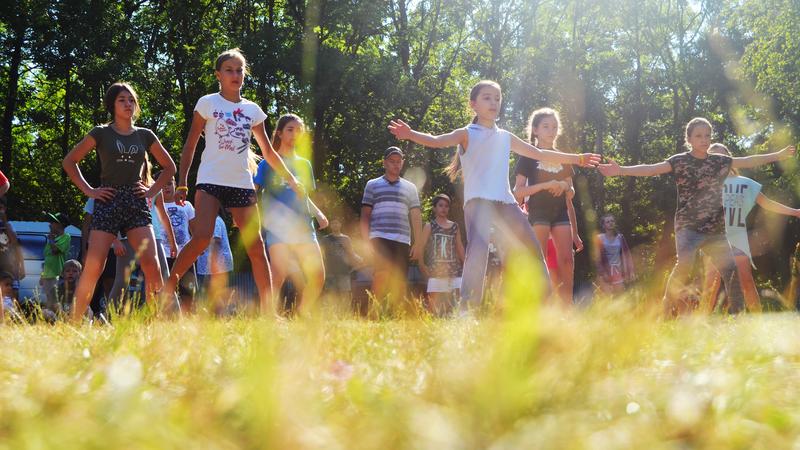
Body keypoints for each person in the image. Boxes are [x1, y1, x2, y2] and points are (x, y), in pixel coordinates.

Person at [388, 80, 600, 306]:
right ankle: (467, 309)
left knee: (532, 247)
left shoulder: (505, 137)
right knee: (478, 250)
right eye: (487, 98)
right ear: (473, 105)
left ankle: (547, 307)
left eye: (497, 98)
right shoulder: (466, 133)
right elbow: (436, 141)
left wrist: (577, 158)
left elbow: (540, 153)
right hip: (477, 201)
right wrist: (410, 134)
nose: (493, 102)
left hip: (505, 201)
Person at [598, 117, 795, 315]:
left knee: (731, 271)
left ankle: (738, 315)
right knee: (684, 266)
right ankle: (667, 308)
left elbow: (748, 161)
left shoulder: (719, 161)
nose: (704, 139)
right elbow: (651, 169)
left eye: (708, 135)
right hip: (688, 227)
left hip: (715, 230)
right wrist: (621, 170)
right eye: (699, 136)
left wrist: (777, 155)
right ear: (689, 139)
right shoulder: (679, 161)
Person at [165, 48, 303, 316]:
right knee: (203, 236)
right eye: (229, 70)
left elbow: (268, 151)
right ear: (218, 74)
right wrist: (183, 182)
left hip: (241, 184)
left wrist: (290, 178)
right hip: (210, 181)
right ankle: (168, 287)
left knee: (256, 246)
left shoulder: (252, 110)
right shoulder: (207, 104)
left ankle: (269, 312)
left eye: (239, 70)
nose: (235, 74)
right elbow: (190, 144)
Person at [63, 81, 176, 322]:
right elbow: (70, 161)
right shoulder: (101, 132)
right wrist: (90, 191)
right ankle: (73, 322)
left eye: (131, 100)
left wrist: (150, 190)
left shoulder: (145, 135)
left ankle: (152, 322)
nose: (128, 104)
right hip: (108, 198)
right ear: (112, 105)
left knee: (152, 264)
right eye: (122, 100)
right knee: (94, 266)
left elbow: (169, 167)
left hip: (135, 200)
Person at [702, 143, 800, 313]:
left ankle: (757, 324)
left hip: (737, 239)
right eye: (713, 158)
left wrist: (795, 212)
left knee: (746, 281)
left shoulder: (745, 183)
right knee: (711, 282)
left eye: (722, 157)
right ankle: (699, 324)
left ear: (731, 160)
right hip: (713, 239)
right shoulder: (704, 185)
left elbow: (767, 203)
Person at [253, 114, 328, 316]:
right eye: (290, 129)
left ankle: (303, 313)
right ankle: (268, 316)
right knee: (278, 274)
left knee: (318, 275)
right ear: (278, 133)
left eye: (299, 130)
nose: (295, 134)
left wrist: (318, 213)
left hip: (304, 227)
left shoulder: (305, 165)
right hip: (278, 228)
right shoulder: (266, 164)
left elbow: (304, 196)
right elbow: (252, 192)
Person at [513, 108, 584, 305]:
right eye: (546, 126)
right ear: (535, 130)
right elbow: (517, 192)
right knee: (539, 261)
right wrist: (545, 185)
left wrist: (564, 187)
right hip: (538, 212)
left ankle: (566, 308)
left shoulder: (564, 157)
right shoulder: (527, 156)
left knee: (567, 260)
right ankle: (539, 307)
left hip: (560, 212)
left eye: (554, 127)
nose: (551, 131)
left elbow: (571, 193)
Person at [360, 147, 423, 304]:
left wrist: (418, 243)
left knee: (400, 279)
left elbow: (416, 216)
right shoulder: (372, 185)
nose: (395, 164)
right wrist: (365, 242)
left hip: (402, 238)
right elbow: (365, 215)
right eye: (392, 161)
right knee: (381, 275)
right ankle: (374, 313)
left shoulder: (410, 187)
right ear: (385, 163)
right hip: (379, 236)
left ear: (402, 163)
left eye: (398, 161)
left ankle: (396, 315)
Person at [418, 193, 465, 315]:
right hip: (436, 270)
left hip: (454, 269)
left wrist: (466, 265)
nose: (444, 208)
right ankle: (431, 323)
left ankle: (458, 322)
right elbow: (421, 247)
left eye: (446, 206)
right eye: (440, 205)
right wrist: (422, 264)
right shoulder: (429, 226)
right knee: (433, 305)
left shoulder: (455, 226)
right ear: (434, 208)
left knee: (459, 301)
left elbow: (459, 247)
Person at [159, 176, 196, 311]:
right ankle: (168, 318)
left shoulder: (186, 205)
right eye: (163, 184)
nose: (166, 187)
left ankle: (188, 319)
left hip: (185, 255)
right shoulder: (156, 205)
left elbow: (194, 229)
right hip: (164, 255)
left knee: (188, 292)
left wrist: (198, 247)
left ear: (175, 185)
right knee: (167, 292)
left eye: (169, 184)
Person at [196, 210, 233, 312]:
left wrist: (213, 263)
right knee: (212, 291)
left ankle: (220, 315)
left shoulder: (214, 221)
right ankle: (217, 315)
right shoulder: (211, 220)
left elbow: (216, 240)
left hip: (217, 262)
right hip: (213, 263)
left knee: (214, 291)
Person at [321, 218, 362, 309]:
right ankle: (331, 314)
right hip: (330, 270)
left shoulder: (346, 238)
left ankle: (345, 314)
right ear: (330, 225)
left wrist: (360, 259)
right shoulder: (325, 239)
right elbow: (321, 254)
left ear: (340, 225)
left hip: (344, 270)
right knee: (331, 293)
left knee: (344, 293)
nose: (335, 225)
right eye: (333, 223)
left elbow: (351, 253)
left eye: (337, 223)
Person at [593, 214, 635, 295]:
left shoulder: (620, 237)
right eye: (608, 222)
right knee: (607, 299)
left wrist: (631, 271)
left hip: (618, 271)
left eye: (612, 221)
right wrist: (602, 273)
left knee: (620, 297)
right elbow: (597, 258)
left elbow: (627, 255)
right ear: (603, 225)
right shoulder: (599, 238)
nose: (610, 223)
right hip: (606, 272)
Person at [40, 212, 72, 307]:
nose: (50, 224)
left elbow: (55, 251)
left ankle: (58, 319)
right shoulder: (53, 238)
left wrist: (50, 239)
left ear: (60, 224)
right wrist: (42, 275)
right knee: (49, 301)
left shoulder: (66, 237)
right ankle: (50, 319)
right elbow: (47, 260)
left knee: (56, 302)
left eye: (53, 222)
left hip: (57, 275)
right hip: (47, 276)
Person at [0, 198, 25, 300]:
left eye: (0, 208)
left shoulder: (9, 225)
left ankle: (13, 315)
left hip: (11, 269)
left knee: (13, 295)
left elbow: (15, 244)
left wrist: (22, 267)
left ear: (4, 209)